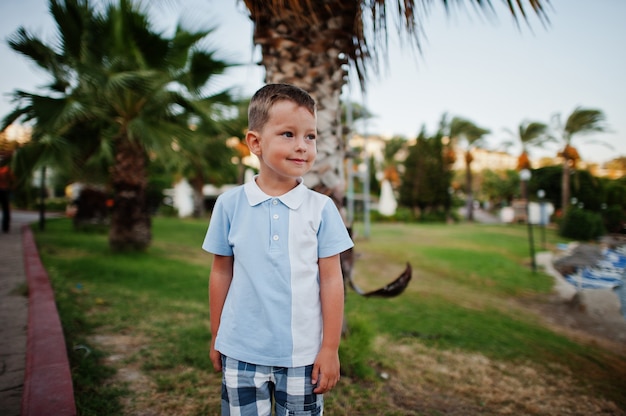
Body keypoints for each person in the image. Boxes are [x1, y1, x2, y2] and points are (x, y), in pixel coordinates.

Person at [202, 83, 353, 415]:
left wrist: (330, 348)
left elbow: (331, 280)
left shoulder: (322, 208)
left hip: (303, 357)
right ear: (255, 142)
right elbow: (220, 271)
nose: (302, 146)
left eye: (310, 136)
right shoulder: (229, 205)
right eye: (288, 134)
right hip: (240, 352)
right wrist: (217, 336)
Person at [0, 155, 14, 233]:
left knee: (6, 209)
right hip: (4, 190)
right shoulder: (7, 170)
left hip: (4, 190)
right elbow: (12, 179)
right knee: (6, 209)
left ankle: (5, 227)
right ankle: (5, 227)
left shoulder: (6, 170)